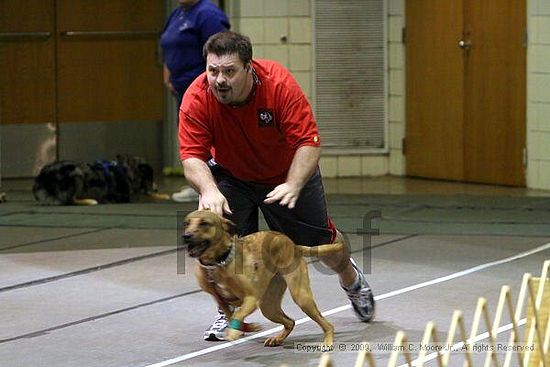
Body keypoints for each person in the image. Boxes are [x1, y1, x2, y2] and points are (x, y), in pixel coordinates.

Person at [178, 31, 376, 341]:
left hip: (286, 174)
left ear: (249, 68)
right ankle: (228, 313)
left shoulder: (279, 85)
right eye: (213, 70)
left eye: (229, 71)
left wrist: (294, 184)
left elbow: (308, 143)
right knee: (224, 247)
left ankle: (350, 279)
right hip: (232, 175)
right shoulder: (196, 97)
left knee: (320, 241)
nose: (219, 80)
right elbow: (191, 155)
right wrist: (208, 189)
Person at [160, 0, 229, 202]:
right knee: (188, 136)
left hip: (203, 89)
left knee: (203, 137)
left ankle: (209, 184)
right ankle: (199, 182)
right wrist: (168, 74)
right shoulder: (177, 14)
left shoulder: (207, 14)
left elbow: (221, 53)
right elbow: (168, 45)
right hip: (181, 88)